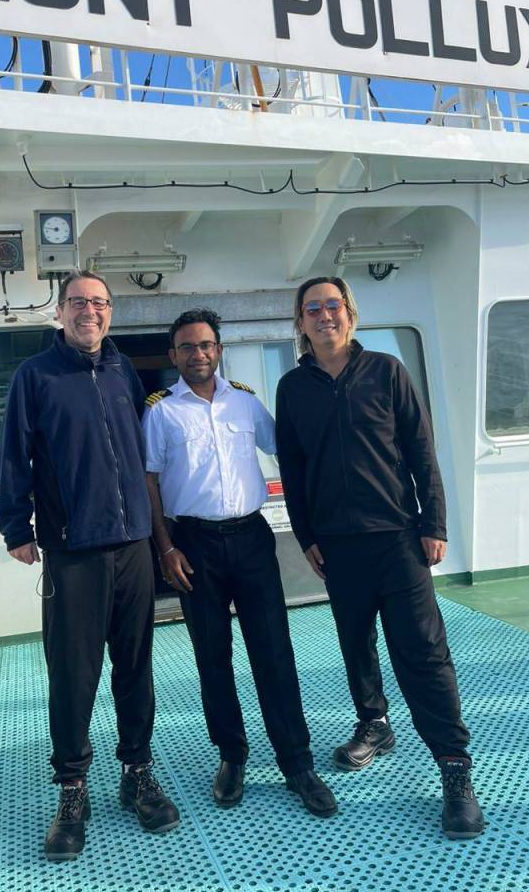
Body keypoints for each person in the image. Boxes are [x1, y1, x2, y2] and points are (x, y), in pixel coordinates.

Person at [275, 276, 484, 841]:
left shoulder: (387, 371)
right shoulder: (293, 389)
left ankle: (454, 767)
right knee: (356, 642)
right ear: (300, 323)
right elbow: (293, 470)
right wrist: (307, 534)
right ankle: (374, 723)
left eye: (333, 306)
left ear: (350, 314)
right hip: (337, 545)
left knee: (422, 650)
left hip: (397, 536)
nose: (324, 316)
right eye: (312, 309)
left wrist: (433, 523)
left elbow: (421, 448)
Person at [0, 269, 180, 862]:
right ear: (61, 311)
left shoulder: (123, 370)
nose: (89, 312)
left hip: (132, 547)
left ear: (110, 312)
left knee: (135, 668)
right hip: (73, 552)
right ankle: (73, 789)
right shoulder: (36, 376)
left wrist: (158, 537)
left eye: (99, 303)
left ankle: (136, 774)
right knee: (73, 677)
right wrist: (15, 528)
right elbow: (14, 456)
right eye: (78, 303)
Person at [143, 308, 337, 817]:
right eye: (187, 347)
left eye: (206, 345)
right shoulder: (161, 412)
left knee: (274, 653)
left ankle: (297, 763)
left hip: (252, 539)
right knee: (212, 658)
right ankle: (232, 755)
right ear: (174, 356)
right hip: (193, 543)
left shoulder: (247, 404)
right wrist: (165, 548)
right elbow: (150, 483)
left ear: (218, 350)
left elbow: (289, 450)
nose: (198, 354)